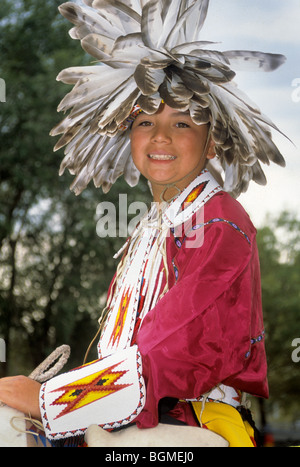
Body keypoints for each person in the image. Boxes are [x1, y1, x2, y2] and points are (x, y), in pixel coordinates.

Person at [0, 0, 287, 447]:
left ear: (212, 143)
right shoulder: (148, 233)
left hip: (196, 422)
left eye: (183, 123)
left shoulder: (220, 221)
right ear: (127, 134)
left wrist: (50, 398)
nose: (160, 137)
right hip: (132, 415)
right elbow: (125, 354)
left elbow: (174, 350)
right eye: (145, 120)